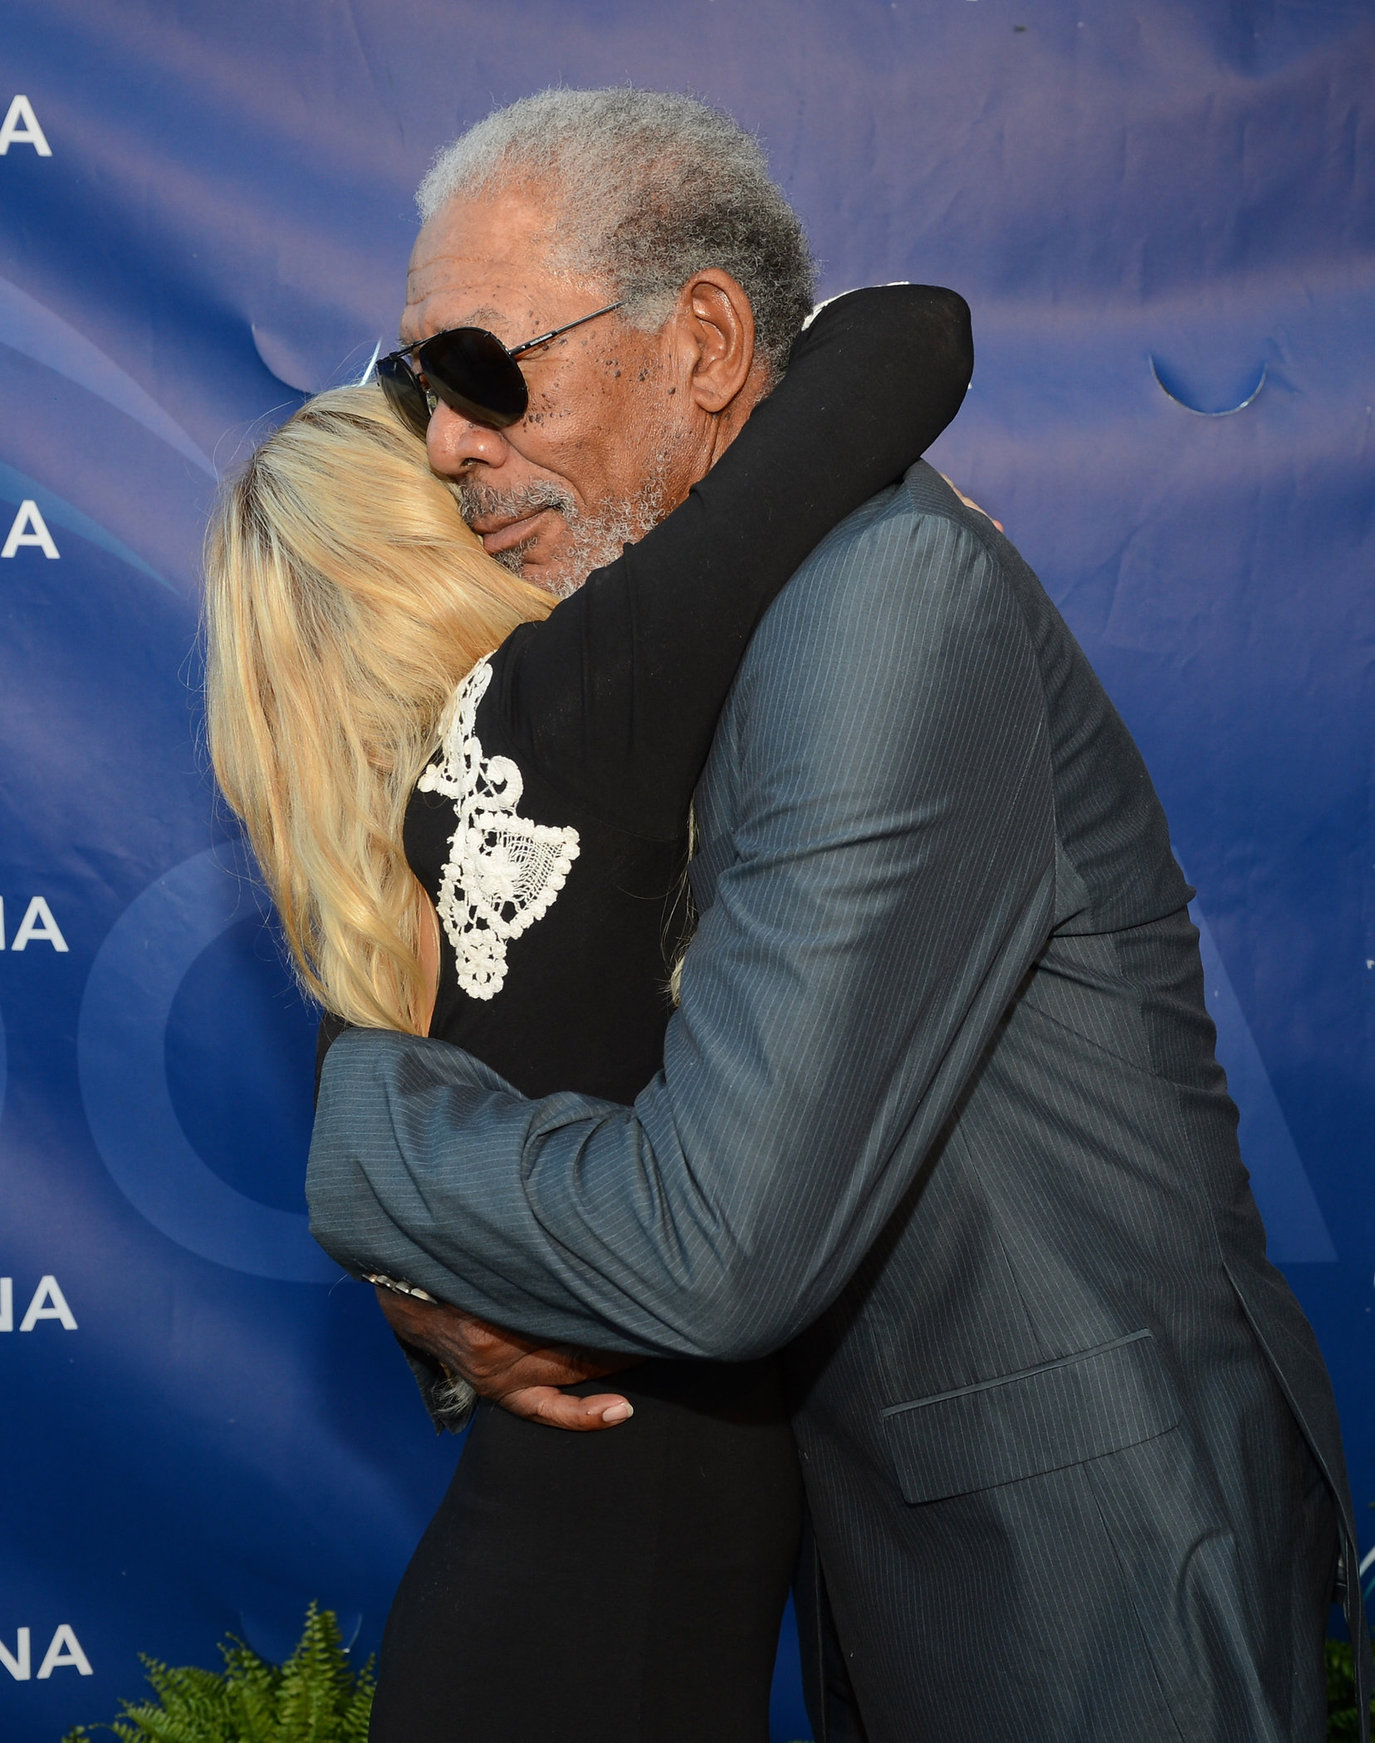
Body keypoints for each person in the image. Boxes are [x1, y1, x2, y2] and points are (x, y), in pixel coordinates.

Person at [306, 88, 1369, 1743]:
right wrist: (440, 1297)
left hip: (1094, 1576)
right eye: (413, 386)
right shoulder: (706, 623)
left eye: (482, 372)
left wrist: (362, 1136)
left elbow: (718, 1243)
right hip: (899, 1554)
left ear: (707, 343)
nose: (444, 443)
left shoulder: (885, 600)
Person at [206, 277, 974, 1741]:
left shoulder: (398, 868)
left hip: (536, 1644)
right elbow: (910, 332)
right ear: (422, 540)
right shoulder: (573, 710)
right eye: (449, 452)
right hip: (602, 1674)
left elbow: (397, 1154)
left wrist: (424, 1298)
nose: (482, 463)